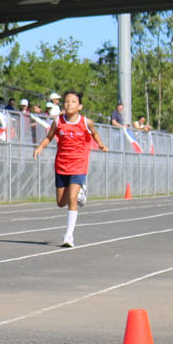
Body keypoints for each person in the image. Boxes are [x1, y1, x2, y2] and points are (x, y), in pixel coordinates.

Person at [31, 89, 107, 248]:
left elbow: (94, 133)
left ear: (79, 106)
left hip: (79, 164)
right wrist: (39, 148)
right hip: (61, 165)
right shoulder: (58, 122)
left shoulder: (86, 122)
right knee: (60, 202)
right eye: (66, 101)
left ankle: (68, 236)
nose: (69, 104)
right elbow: (49, 137)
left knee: (72, 198)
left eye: (73, 102)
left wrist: (100, 144)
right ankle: (79, 192)